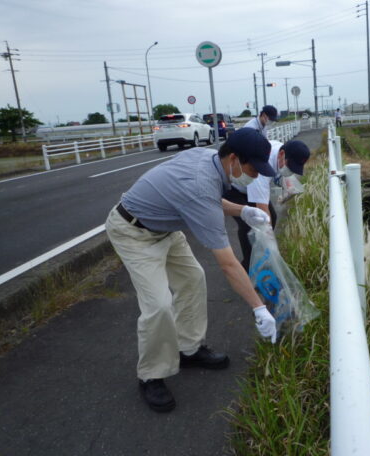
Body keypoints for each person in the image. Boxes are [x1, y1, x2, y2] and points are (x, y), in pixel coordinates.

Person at [105, 128, 278, 413]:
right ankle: (151, 374)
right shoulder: (200, 181)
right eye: (252, 168)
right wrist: (258, 308)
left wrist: (243, 211)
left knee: (193, 279)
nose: (256, 176)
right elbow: (228, 263)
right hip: (132, 231)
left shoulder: (210, 159)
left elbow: (206, 198)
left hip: (166, 228)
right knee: (158, 305)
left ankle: (188, 348)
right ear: (233, 159)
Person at [224, 139, 311, 271]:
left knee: (273, 217)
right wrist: (272, 248)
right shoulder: (263, 167)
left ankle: (260, 256)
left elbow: (283, 179)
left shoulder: (279, 151)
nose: (290, 171)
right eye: (290, 166)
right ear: (282, 154)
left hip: (249, 187)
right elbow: (263, 211)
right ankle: (249, 267)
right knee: (249, 224)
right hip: (233, 187)